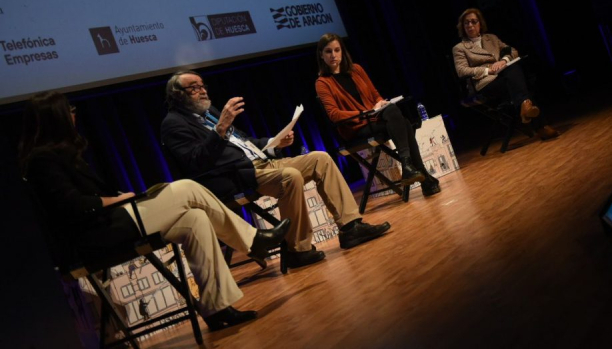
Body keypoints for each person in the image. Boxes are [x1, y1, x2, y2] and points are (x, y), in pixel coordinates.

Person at [20, 91, 291, 331]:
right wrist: (118, 200)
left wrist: (116, 198)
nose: (74, 114)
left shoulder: (63, 153)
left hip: (110, 222)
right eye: (70, 110)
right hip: (97, 234)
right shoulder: (41, 161)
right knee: (186, 188)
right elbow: (74, 207)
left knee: (195, 218)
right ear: (56, 118)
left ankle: (218, 308)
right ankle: (253, 241)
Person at [161, 70, 391, 269]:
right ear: (177, 95)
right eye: (194, 88)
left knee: (320, 158)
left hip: (262, 163)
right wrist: (220, 128)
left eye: (202, 86)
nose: (202, 91)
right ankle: (297, 250)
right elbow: (195, 162)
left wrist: (274, 142)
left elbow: (244, 142)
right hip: (235, 177)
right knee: (289, 176)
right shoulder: (173, 124)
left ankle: (351, 227)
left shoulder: (209, 112)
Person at [315, 33, 441, 196]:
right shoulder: (322, 82)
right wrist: (364, 112)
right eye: (328, 51)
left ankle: (410, 168)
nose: (333, 55)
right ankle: (419, 174)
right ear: (321, 55)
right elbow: (334, 114)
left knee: (393, 111)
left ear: (342, 51)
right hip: (355, 128)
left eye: (337, 50)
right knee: (404, 123)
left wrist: (381, 102)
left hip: (374, 118)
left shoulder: (356, 70)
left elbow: (374, 94)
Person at [452, 8, 559, 140]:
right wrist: (488, 70)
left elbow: (512, 51)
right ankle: (540, 124)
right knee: (518, 82)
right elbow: (462, 71)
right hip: (484, 84)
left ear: (480, 24)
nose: (470, 25)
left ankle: (526, 106)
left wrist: (503, 60)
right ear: (462, 27)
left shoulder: (492, 38)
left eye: (473, 22)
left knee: (513, 71)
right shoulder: (460, 48)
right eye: (466, 23)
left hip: (503, 77)